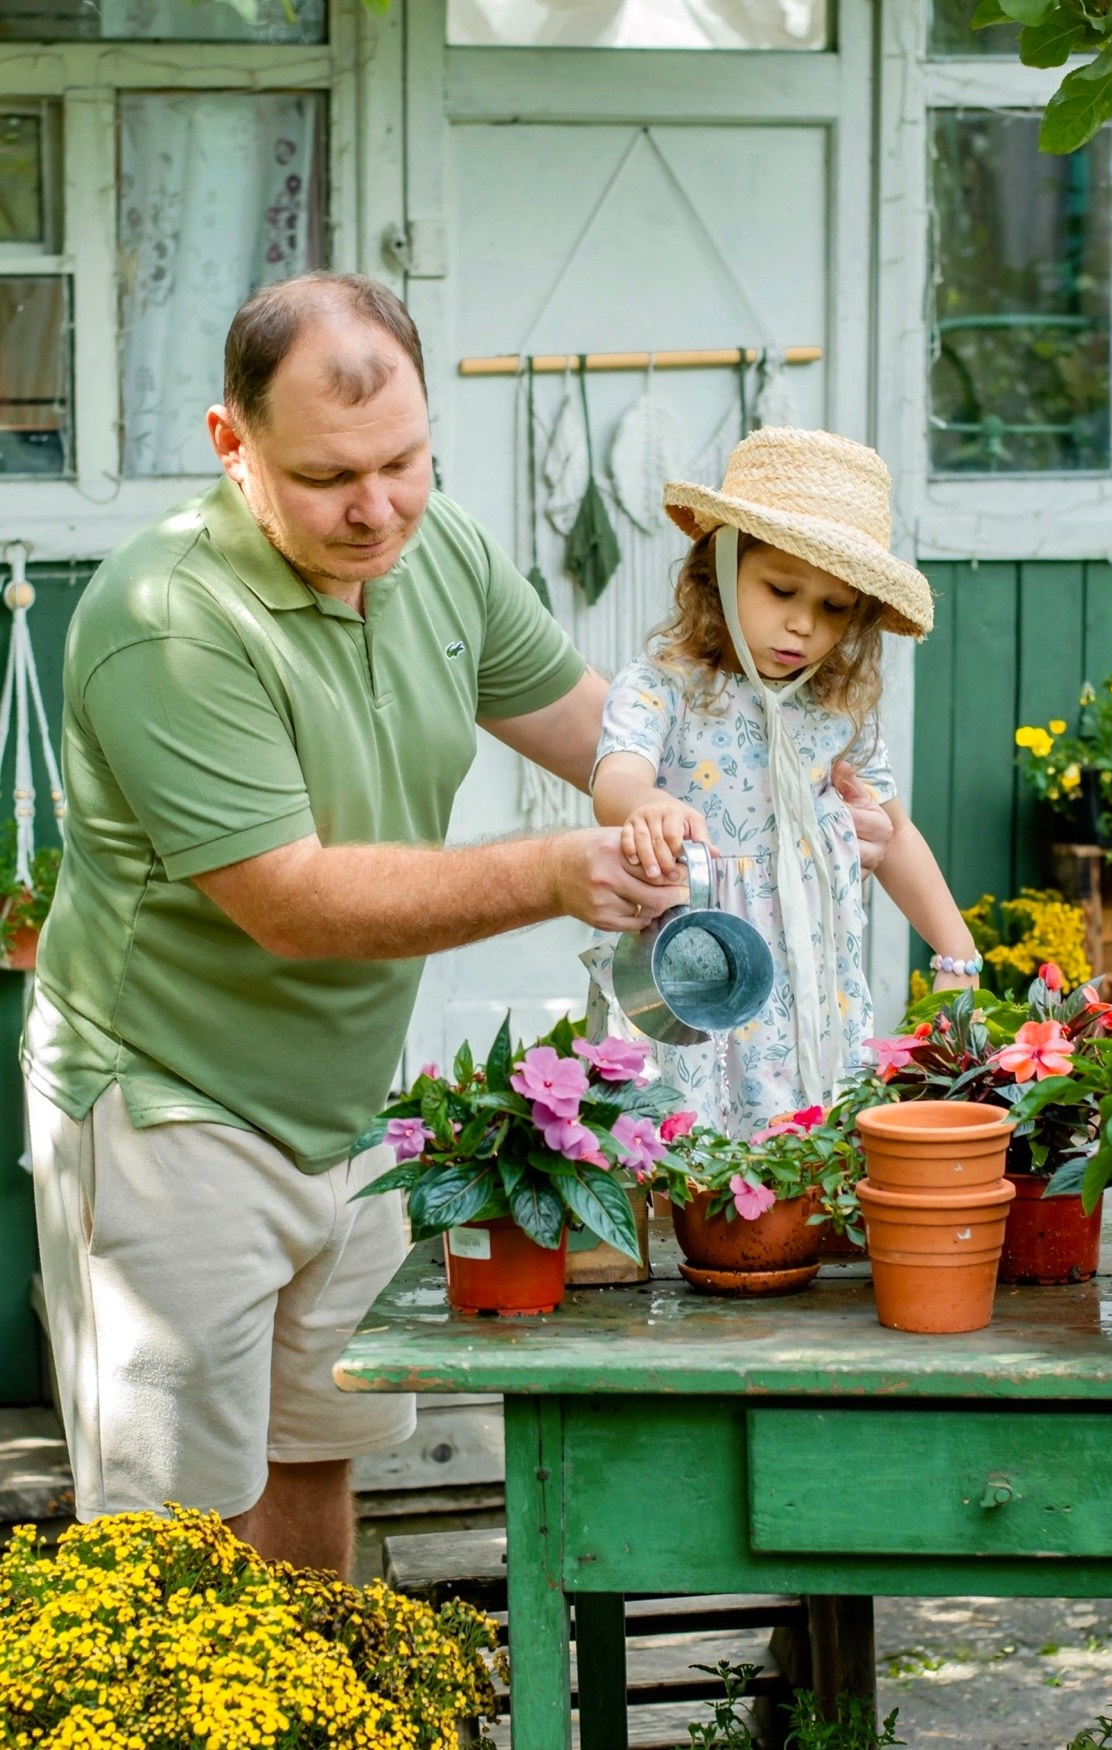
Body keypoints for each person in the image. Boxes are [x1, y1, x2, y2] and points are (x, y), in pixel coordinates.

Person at [22, 272, 701, 1577]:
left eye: (404, 459)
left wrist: (683, 794)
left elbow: (594, 732)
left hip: (347, 1110)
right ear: (234, 444)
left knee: (314, 1451)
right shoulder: (164, 620)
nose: (377, 506)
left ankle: (324, 1717)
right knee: (176, 1538)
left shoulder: (432, 548)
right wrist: (558, 868)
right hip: (168, 1103)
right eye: (332, 476)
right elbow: (292, 901)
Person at [588, 425, 980, 1136]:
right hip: (702, 958)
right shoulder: (663, 688)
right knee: (694, 1131)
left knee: (812, 1128)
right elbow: (616, 777)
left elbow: (895, 838)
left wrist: (956, 954)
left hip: (812, 975)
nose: (801, 624)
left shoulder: (834, 712)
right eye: (779, 589)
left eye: (833, 607)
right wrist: (646, 805)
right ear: (719, 568)